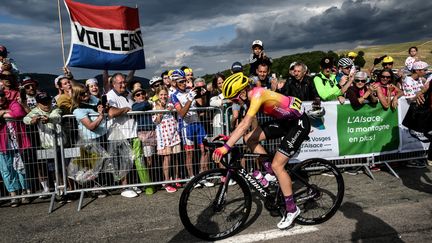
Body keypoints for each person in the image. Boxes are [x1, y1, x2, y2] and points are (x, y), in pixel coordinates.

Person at [212, 72, 311, 230]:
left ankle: (292, 209)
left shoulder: (257, 95)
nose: (232, 101)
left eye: (234, 97)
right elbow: (243, 126)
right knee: (249, 139)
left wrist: (226, 147)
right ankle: (270, 171)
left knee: (279, 166)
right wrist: (229, 137)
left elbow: (245, 124)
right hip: (285, 121)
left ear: (243, 92)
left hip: (298, 124)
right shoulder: (248, 97)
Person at [170, 69, 213, 187]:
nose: (184, 83)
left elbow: (202, 105)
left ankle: (203, 175)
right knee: (190, 153)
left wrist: (202, 95)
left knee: (205, 150)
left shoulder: (191, 90)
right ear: (174, 82)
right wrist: (189, 99)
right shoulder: (174, 96)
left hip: (198, 123)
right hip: (186, 126)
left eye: (184, 81)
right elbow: (181, 113)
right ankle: (191, 178)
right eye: (180, 82)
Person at [106, 73, 140, 198]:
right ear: (113, 84)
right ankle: (124, 187)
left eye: (124, 82)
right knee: (122, 161)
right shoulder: (109, 96)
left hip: (131, 133)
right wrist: (125, 109)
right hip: (119, 134)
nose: (123, 84)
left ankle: (131, 184)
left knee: (130, 160)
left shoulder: (127, 94)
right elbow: (111, 112)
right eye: (120, 83)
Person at [23, 91, 62, 198]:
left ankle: (60, 189)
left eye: (47, 102)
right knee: (50, 168)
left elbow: (57, 116)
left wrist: (48, 119)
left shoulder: (55, 109)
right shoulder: (35, 111)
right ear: (38, 103)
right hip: (46, 144)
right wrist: (32, 120)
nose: (46, 105)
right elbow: (25, 119)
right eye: (43, 103)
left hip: (60, 143)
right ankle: (52, 188)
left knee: (60, 167)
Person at [0, 89, 31, 207]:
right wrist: (8, 112)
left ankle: (24, 192)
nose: (1, 97)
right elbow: (14, 114)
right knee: (6, 170)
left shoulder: (13, 102)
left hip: (18, 143)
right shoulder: (11, 106)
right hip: (3, 144)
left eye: (2, 95)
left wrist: (3, 112)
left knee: (21, 168)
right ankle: (13, 194)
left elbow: (19, 113)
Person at [152, 86, 182, 192]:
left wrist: (171, 109)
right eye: (161, 94)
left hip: (173, 133)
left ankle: (176, 178)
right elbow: (157, 121)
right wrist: (161, 110)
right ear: (157, 95)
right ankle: (167, 181)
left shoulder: (171, 103)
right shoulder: (155, 106)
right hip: (164, 136)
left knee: (176, 157)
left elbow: (177, 113)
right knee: (167, 158)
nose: (163, 96)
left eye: (165, 94)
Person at [131, 88, 157, 195]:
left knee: (150, 158)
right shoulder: (135, 105)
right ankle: (146, 182)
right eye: (138, 94)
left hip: (151, 132)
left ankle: (151, 181)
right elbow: (143, 106)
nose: (141, 95)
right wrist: (148, 103)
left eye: (142, 93)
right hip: (141, 133)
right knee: (142, 159)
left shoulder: (148, 102)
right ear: (134, 97)